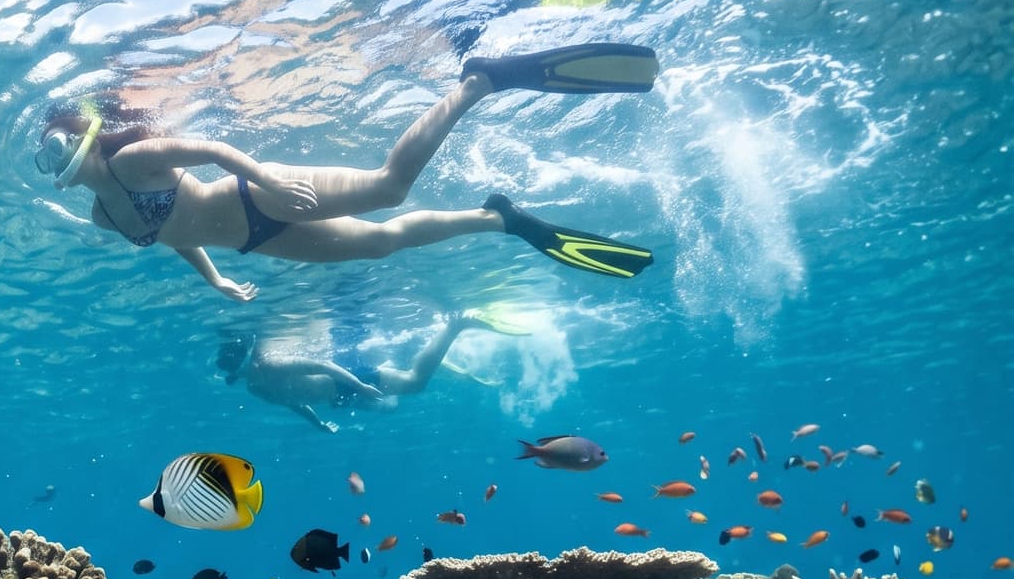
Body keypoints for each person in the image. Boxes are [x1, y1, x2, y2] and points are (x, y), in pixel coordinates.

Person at [33, 43, 659, 300]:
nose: (55, 156)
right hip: (259, 239)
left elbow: (215, 151)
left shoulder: (134, 160)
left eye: (59, 142)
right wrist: (217, 279)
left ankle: (479, 80)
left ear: (87, 135)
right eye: (47, 155)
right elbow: (177, 235)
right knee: (383, 245)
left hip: (262, 194)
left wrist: (273, 183)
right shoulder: (99, 213)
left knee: (390, 188)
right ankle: (498, 218)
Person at [216, 315, 481, 432]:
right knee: (390, 408)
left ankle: (455, 325)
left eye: (233, 368)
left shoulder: (270, 364)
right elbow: (292, 402)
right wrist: (317, 423)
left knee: (415, 383)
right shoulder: (253, 385)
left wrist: (359, 385)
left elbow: (323, 367)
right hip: (339, 398)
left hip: (349, 381)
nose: (234, 375)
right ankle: (397, 360)